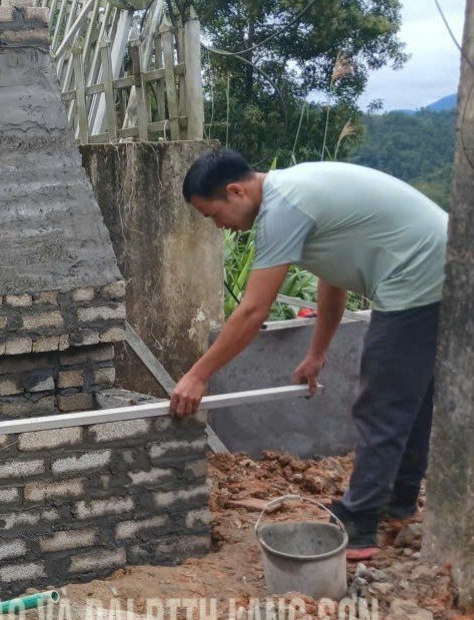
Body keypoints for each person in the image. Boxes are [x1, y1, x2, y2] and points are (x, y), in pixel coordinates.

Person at [171, 149, 449, 560]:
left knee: (381, 402)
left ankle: (360, 524)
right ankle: (399, 502)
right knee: (412, 396)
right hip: (446, 265)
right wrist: (317, 352)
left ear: (235, 191)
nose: (219, 226)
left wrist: (198, 374)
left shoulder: (281, 209)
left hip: (419, 276)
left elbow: (252, 312)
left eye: (214, 215)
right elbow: (332, 279)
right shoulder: (293, 193)